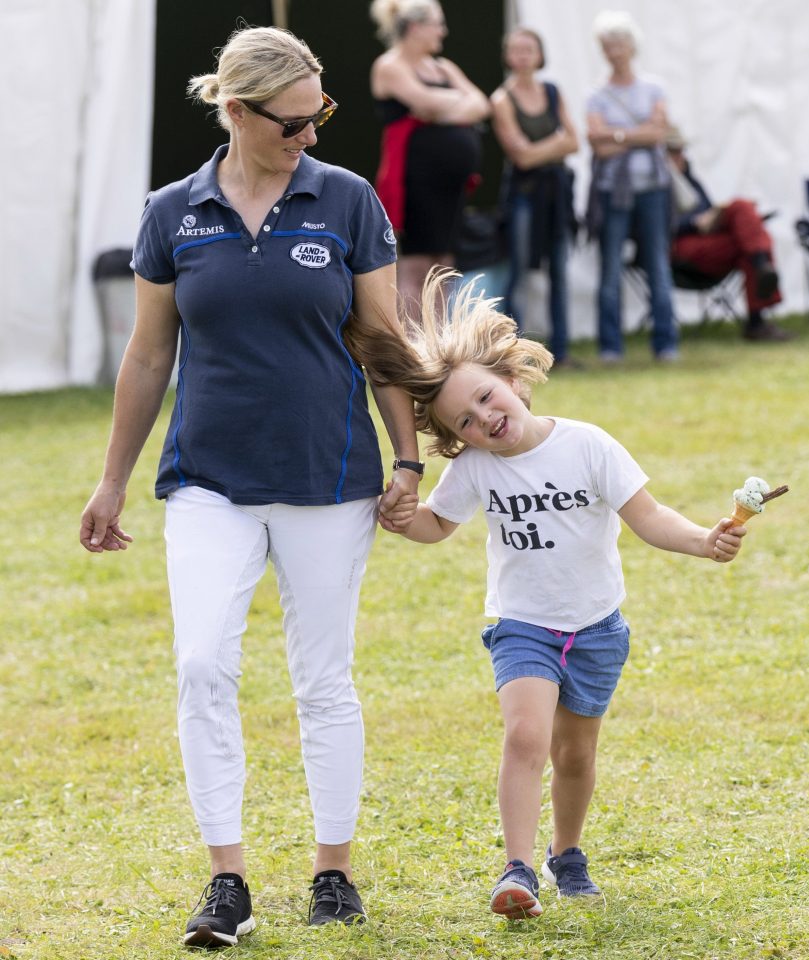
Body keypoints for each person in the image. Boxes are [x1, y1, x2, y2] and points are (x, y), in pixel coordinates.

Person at [79, 26, 421, 948]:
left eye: (321, 118)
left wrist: (409, 461)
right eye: (294, 122)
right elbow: (149, 354)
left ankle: (333, 871)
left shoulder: (348, 202)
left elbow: (382, 342)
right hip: (209, 482)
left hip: (331, 478)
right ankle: (227, 879)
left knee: (323, 680)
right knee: (201, 665)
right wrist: (112, 479)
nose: (311, 136)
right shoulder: (171, 211)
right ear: (236, 111)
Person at [360, 270, 746, 919]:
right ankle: (517, 869)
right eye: (467, 421)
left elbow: (650, 519)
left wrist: (705, 542)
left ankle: (567, 854)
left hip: (597, 628)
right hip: (524, 627)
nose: (486, 418)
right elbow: (438, 524)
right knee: (525, 737)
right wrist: (403, 519)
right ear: (460, 437)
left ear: (511, 379)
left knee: (573, 754)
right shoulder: (475, 467)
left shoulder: (588, 445)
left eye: (486, 398)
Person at [370, 0, 491, 313]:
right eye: (438, 23)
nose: (443, 31)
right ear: (415, 28)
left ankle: (442, 345)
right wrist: (457, 106)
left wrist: (442, 109)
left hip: (449, 186)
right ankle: (413, 348)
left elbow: (481, 103)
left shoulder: (443, 67)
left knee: (445, 265)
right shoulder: (390, 65)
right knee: (416, 264)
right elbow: (423, 101)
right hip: (415, 181)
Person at [586, 10, 677, 362]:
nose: (613, 51)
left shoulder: (653, 87)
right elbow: (596, 142)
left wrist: (616, 134)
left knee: (658, 265)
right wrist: (638, 135)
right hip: (612, 191)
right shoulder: (596, 93)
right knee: (610, 269)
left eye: (618, 43)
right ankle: (610, 346)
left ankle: (666, 343)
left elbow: (660, 133)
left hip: (653, 187)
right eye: (607, 45)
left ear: (631, 45)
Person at [490, 27, 580, 368]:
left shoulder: (553, 92)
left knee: (559, 269)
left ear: (539, 54)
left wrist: (544, 147)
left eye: (530, 49)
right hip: (524, 198)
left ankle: (562, 350)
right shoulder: (502, 99)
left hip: (556, 197)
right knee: (519, 271)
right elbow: (521, 157)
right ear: (508, 56)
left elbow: (574, 141)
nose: (524, 56)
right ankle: (515, 353)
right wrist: (555, 144)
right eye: (517, 49)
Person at [666, 127, 790, 342]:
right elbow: (656, 226)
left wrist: (713, 217)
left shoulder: (690, 180)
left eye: (681, 151)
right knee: (754, 237)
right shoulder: (653, 185)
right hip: (680, 245)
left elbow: (706, 207)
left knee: (743, 210)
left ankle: (759, 270)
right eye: (674, 151)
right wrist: (693, 223)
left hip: (707, 240)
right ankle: (756, 319)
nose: (680, 156)